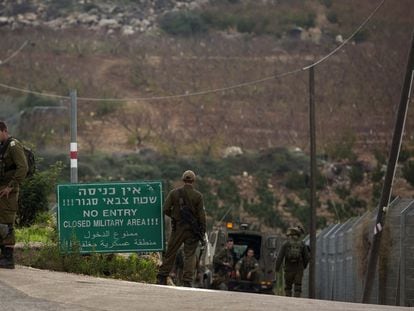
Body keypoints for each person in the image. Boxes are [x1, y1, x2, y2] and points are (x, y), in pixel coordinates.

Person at [156, 170, 206, 287]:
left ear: (183, 180)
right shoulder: (198, 196)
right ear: (193, 181)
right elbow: (201, 216)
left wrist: (175, 216)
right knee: (190, 255)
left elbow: (165, 209)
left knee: (171, 252)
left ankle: (162, 276)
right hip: (192, 231)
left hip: (178, 228)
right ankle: (187, 281)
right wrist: (202, 231)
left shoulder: (174, 193)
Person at [0, 121, 28, 269]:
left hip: (8, 192)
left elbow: (23, 167)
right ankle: (2, 255)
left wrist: (10, 187)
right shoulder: (2, 147)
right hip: (1, 190)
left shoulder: (13, 146)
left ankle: (8, 258)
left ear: (4, 130)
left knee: (6, 222)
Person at [275, 226, 310, 297]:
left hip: (288, 268)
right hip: (299, 268)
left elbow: (280, 257)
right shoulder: (302, 244)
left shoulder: (286, 244)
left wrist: (277, 268)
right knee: (298, 287)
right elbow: (306, 257)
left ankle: (288, 301)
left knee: (288, 287)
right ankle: (296, 301)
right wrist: (304, 266)